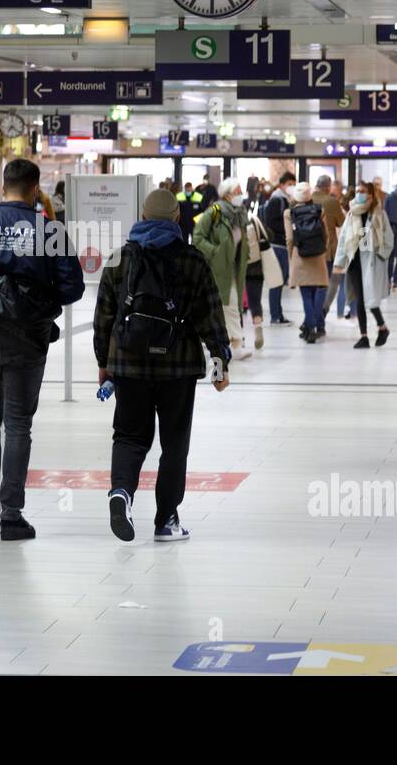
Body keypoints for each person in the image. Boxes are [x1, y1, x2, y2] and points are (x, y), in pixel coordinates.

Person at [0, 158, 85, 541]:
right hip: (28, 341)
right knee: (18, 424)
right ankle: (12, 514)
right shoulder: (50, 230)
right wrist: (40, 304)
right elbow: (73, 287)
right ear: (35, 187)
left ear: (3, 185)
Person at [94, 189, 231, 542]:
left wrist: (104, 364)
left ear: (141, 214)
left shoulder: (117, 259)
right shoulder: (192, 259)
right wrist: (220, 361)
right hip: (178, 367)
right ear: (175, 219)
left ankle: (121, 493)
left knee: (128, 435)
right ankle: (166, 519)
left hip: (129, 363)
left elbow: (104, 319)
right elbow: (210, 315)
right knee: (174, 443)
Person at [194, 179, 252, 361]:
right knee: (230, 307)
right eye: (238, 191)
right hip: (216, 270)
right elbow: (198, 236)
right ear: (227, 194)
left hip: (235, 269)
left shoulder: (240, 215)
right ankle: (234, 345)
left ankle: (228, 345)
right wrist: (214, 252)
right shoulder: (215, 211)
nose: (241, 195)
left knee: (230, 307)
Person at [333, 181, 394, 349]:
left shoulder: (379, 214)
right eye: (358, 190)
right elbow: (344, 238)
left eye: (363, 191)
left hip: (372, 262)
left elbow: (389, 239)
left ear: (371, 195)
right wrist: (340, 261)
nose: (359, 193)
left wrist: (381, 255)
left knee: (370, 298)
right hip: (354, 261)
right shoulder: (352, 213)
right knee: (360, 299)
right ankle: (364, 336)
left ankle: (382, 327)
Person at [285, 182, 331, 344]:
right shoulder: (319, 210)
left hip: (300, 256)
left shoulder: (289, 213)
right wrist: (322, 250)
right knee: (318, 291)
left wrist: (292, 257)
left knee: (306, 295)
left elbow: (290, 239)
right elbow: (326, 235)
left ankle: (310, 328)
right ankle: (315, 325)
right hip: (318, 256)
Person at [313, 175, 349, 320]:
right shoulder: (331, 202)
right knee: (327, 284)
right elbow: (342, 223)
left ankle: (311, 317)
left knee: (312, 286)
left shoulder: (305, 199)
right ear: (328, 187)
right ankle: (321, 315)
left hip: (307, 249)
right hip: (327, 250)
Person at [243, 208, 279, 350]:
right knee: (255, 301)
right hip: (256, 268)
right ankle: (258, 329)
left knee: (237, 306)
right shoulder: (254, 220)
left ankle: (239, 339)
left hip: (237, 269)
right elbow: (269, 236)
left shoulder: (229, 222)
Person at [261, 175, 294, 324]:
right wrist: (288, 230)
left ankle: (278, 314)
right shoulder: (277, 200)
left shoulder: (284, 200)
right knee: (277, 281)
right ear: (281, 185)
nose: (291, 186)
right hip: (277, 245)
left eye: (293, 183)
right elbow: (271, 223)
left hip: (281, 245)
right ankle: (275, 315)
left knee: (280, 281)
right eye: (289, 183)